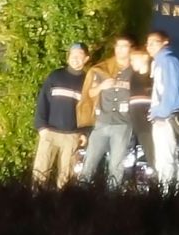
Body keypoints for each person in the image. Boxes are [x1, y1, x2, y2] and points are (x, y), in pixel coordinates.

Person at [79, 39, 139, 187]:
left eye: (124, 46)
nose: (119, 49)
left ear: (131, 49)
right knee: (90, 161)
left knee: (116, 165)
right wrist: (101, 87)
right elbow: (90, 93)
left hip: (123, 124)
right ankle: (80, 193)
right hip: (102, 122)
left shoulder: (134, 71)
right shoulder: (102, 69)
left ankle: (113, 197)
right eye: (117, 46)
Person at [32, 46, 87, 186]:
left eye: (80, 55)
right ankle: (34, 202)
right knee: (40, 173)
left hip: (72, 135)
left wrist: (85, 132)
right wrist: (41, 126)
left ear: (86, 59)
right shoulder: (55, 76)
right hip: (50, 132)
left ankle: (62, 205)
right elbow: (42, 100)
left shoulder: (87, 81)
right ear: (68, 57)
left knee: (66, 178)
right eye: (73, 55)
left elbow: (89, 109)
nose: (75, 58)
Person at [144, 34, 179, 190]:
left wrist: (161, 111)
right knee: (165, 157)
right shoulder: (160, 62)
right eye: (148, 44)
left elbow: (173, 90)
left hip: (165, 117)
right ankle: (170, 192)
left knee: (165, 157)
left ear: (165, 43)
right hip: (161, 115)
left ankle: (167, 193)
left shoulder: (168, 61)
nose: (149, 47)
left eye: (154, 43)